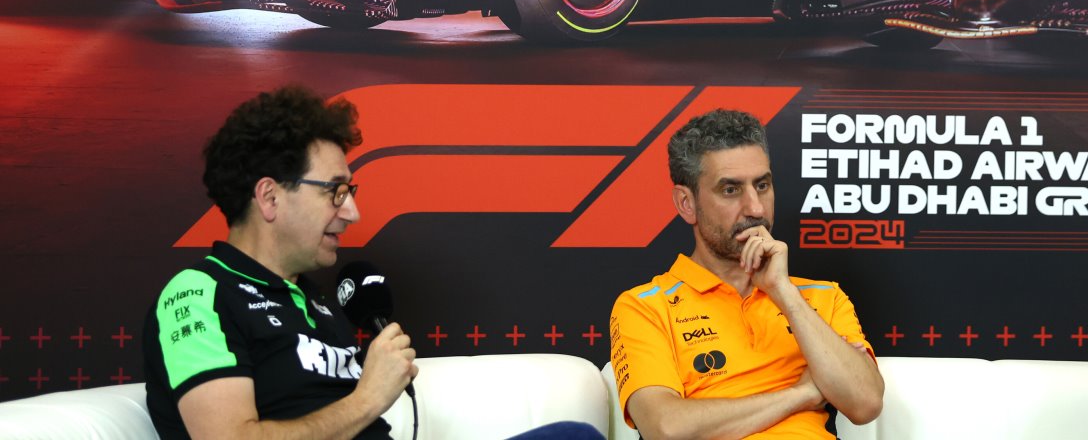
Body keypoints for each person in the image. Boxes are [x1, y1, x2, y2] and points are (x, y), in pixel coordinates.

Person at [143, 86, 602, 440]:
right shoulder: (199, 294)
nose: (352, 213)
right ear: (269, 196)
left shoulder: (318, 302)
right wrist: (367, 398)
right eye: (335, 192)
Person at [609, 109, 884, 439]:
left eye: (763, 185)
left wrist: (783, 291)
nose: (755, 208)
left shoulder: (823, 297)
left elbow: (865, 403)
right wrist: (803, 394)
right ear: (687, 204)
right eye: (730, 190)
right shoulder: (645, 307)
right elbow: (665, 428)